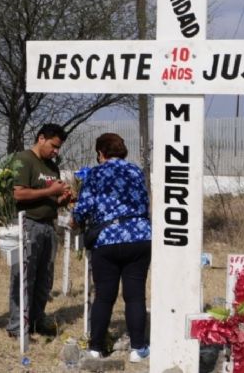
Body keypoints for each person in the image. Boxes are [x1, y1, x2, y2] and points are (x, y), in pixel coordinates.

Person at [72, 133, 151, 362]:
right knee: (135, 295)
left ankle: (96, 348)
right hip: (139, 237)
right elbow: (145, 203)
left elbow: (83, 208)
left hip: (106, 240)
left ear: (100, 153)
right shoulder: (136, 171)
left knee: (104, 296)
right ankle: (138, 348)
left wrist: (73, 220)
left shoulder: (95, 173)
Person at [6, 123, 72, 338]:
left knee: (45, 279)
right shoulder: (24, 160)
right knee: (25, 277)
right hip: (28, 225)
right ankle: (18, 326)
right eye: (53, 145)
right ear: (41, 138)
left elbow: (50, 198)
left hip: (48, 226)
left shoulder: (52, 167)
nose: (56, 151)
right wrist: (50, 190)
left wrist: (62, 199)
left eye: (59, 148)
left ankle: (36, 320)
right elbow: (19, 194)